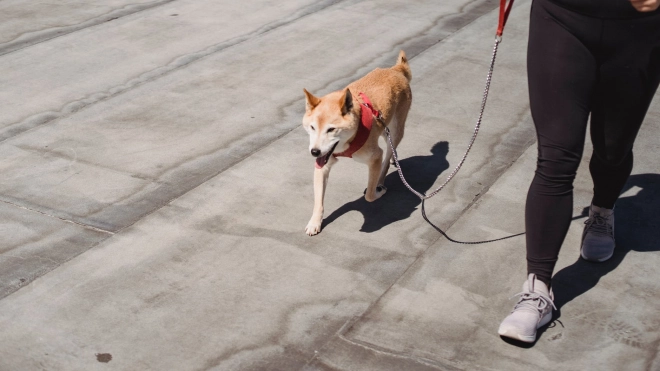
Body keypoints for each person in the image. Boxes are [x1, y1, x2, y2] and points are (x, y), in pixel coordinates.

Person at [497, 0, 660, 343]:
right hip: (562, 16)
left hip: (640, 31)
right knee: (556, 157)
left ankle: (602, 210)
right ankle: (537, 289)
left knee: (613, 150)